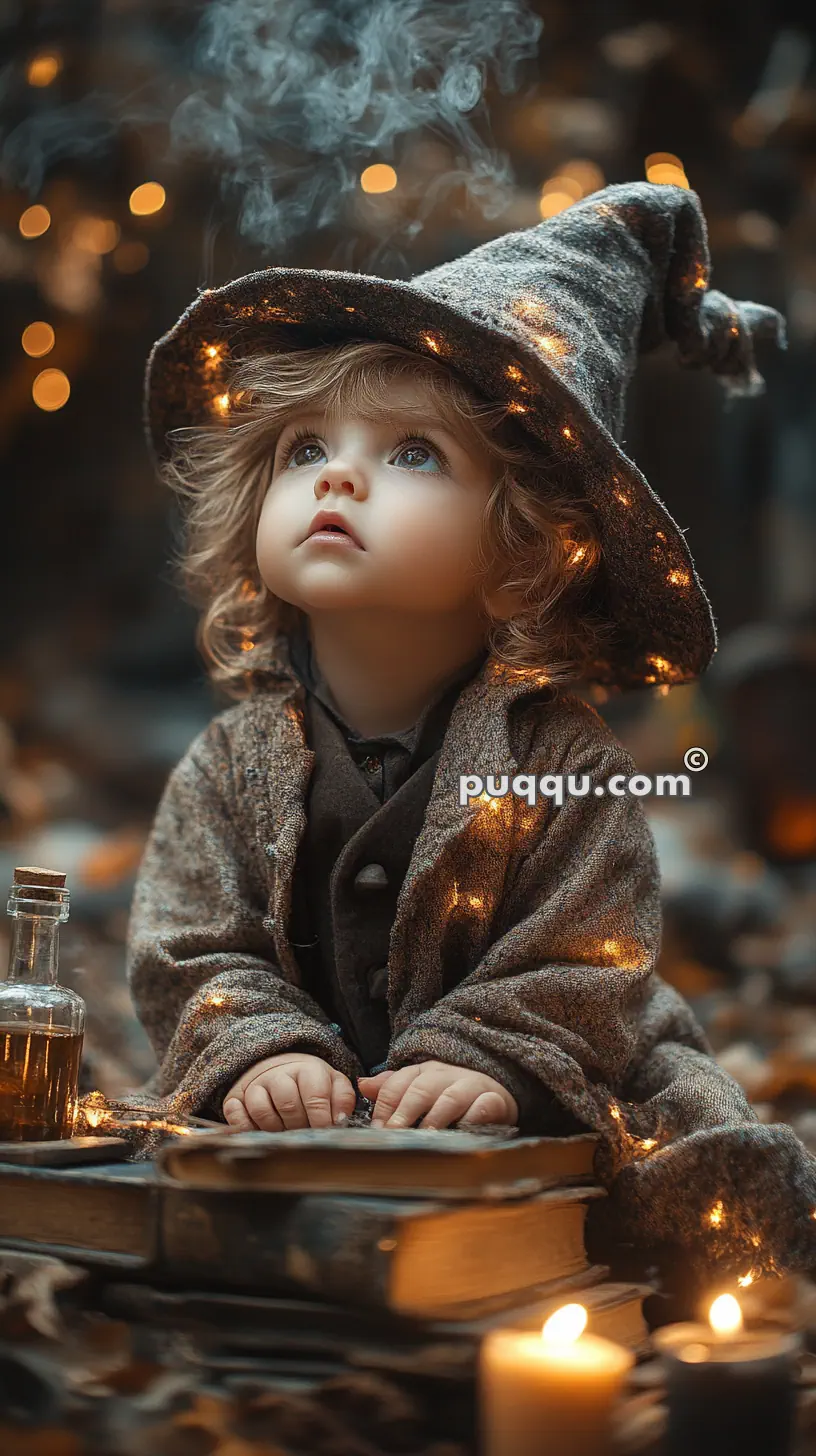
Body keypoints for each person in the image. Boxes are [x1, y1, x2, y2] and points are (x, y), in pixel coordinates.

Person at [129, 181, 816, 1283]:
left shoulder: (564, 764)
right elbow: (189, 940)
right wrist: (263, 1043)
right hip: (317, 1110)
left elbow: (591, 951)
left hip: (546, 1076)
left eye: (412, 454)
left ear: (526, 551)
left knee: (681, 1186)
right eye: (306, 445)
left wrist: (486, 1056)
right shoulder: (231, 764)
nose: (339, 474)